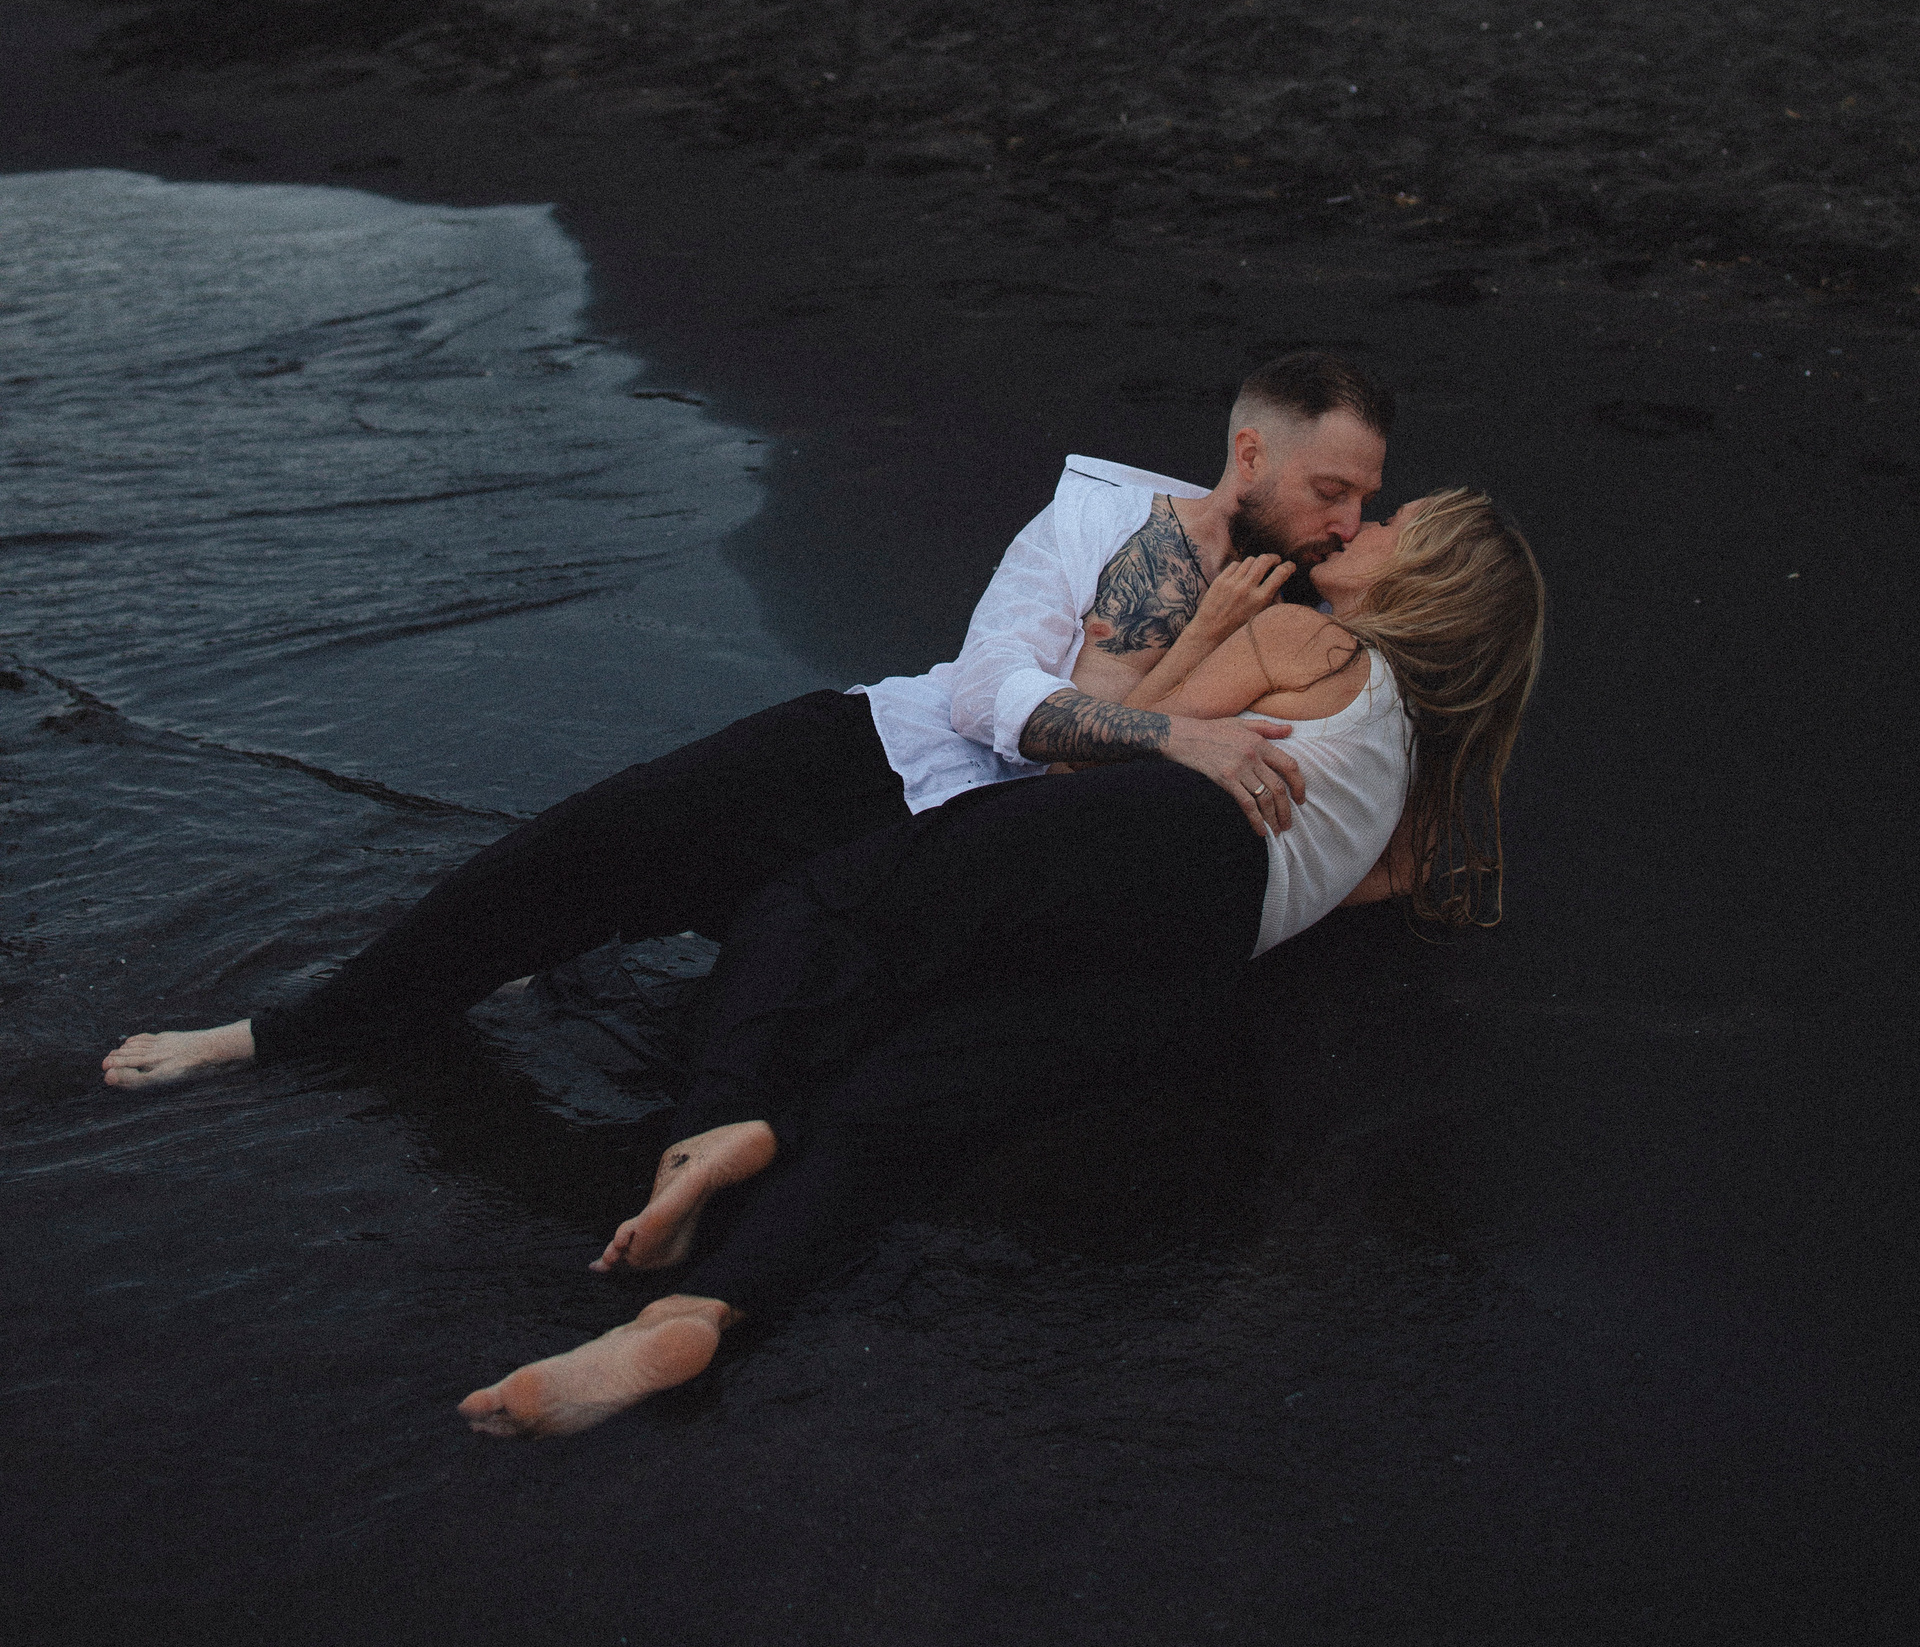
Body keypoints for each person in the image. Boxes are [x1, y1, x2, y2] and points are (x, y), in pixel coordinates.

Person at [457, 487, 1547, 1438]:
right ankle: (703, 1311)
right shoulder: (1414, 775)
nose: (1365, 526)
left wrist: (1216, 623)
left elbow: (1105, 742)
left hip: (1142, 832)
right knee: (905, 1104)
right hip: (1204, 953)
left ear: (1426, 578)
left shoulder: (1311, 642)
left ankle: (720, 1127)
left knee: (817, 907)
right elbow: (1367, 881)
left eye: (1396, 527)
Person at [102, 349, 1396, 1090]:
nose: (1348, 523)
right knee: (589, 848)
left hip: (980, 871)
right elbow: (984, 694)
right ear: (1249, 455)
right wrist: (1175, 737)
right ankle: (285, 1033)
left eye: (1365, 502)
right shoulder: (1102, 524)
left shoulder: (1321, 619)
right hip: (876, 754)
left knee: (773, 1044)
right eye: (1331, 490)